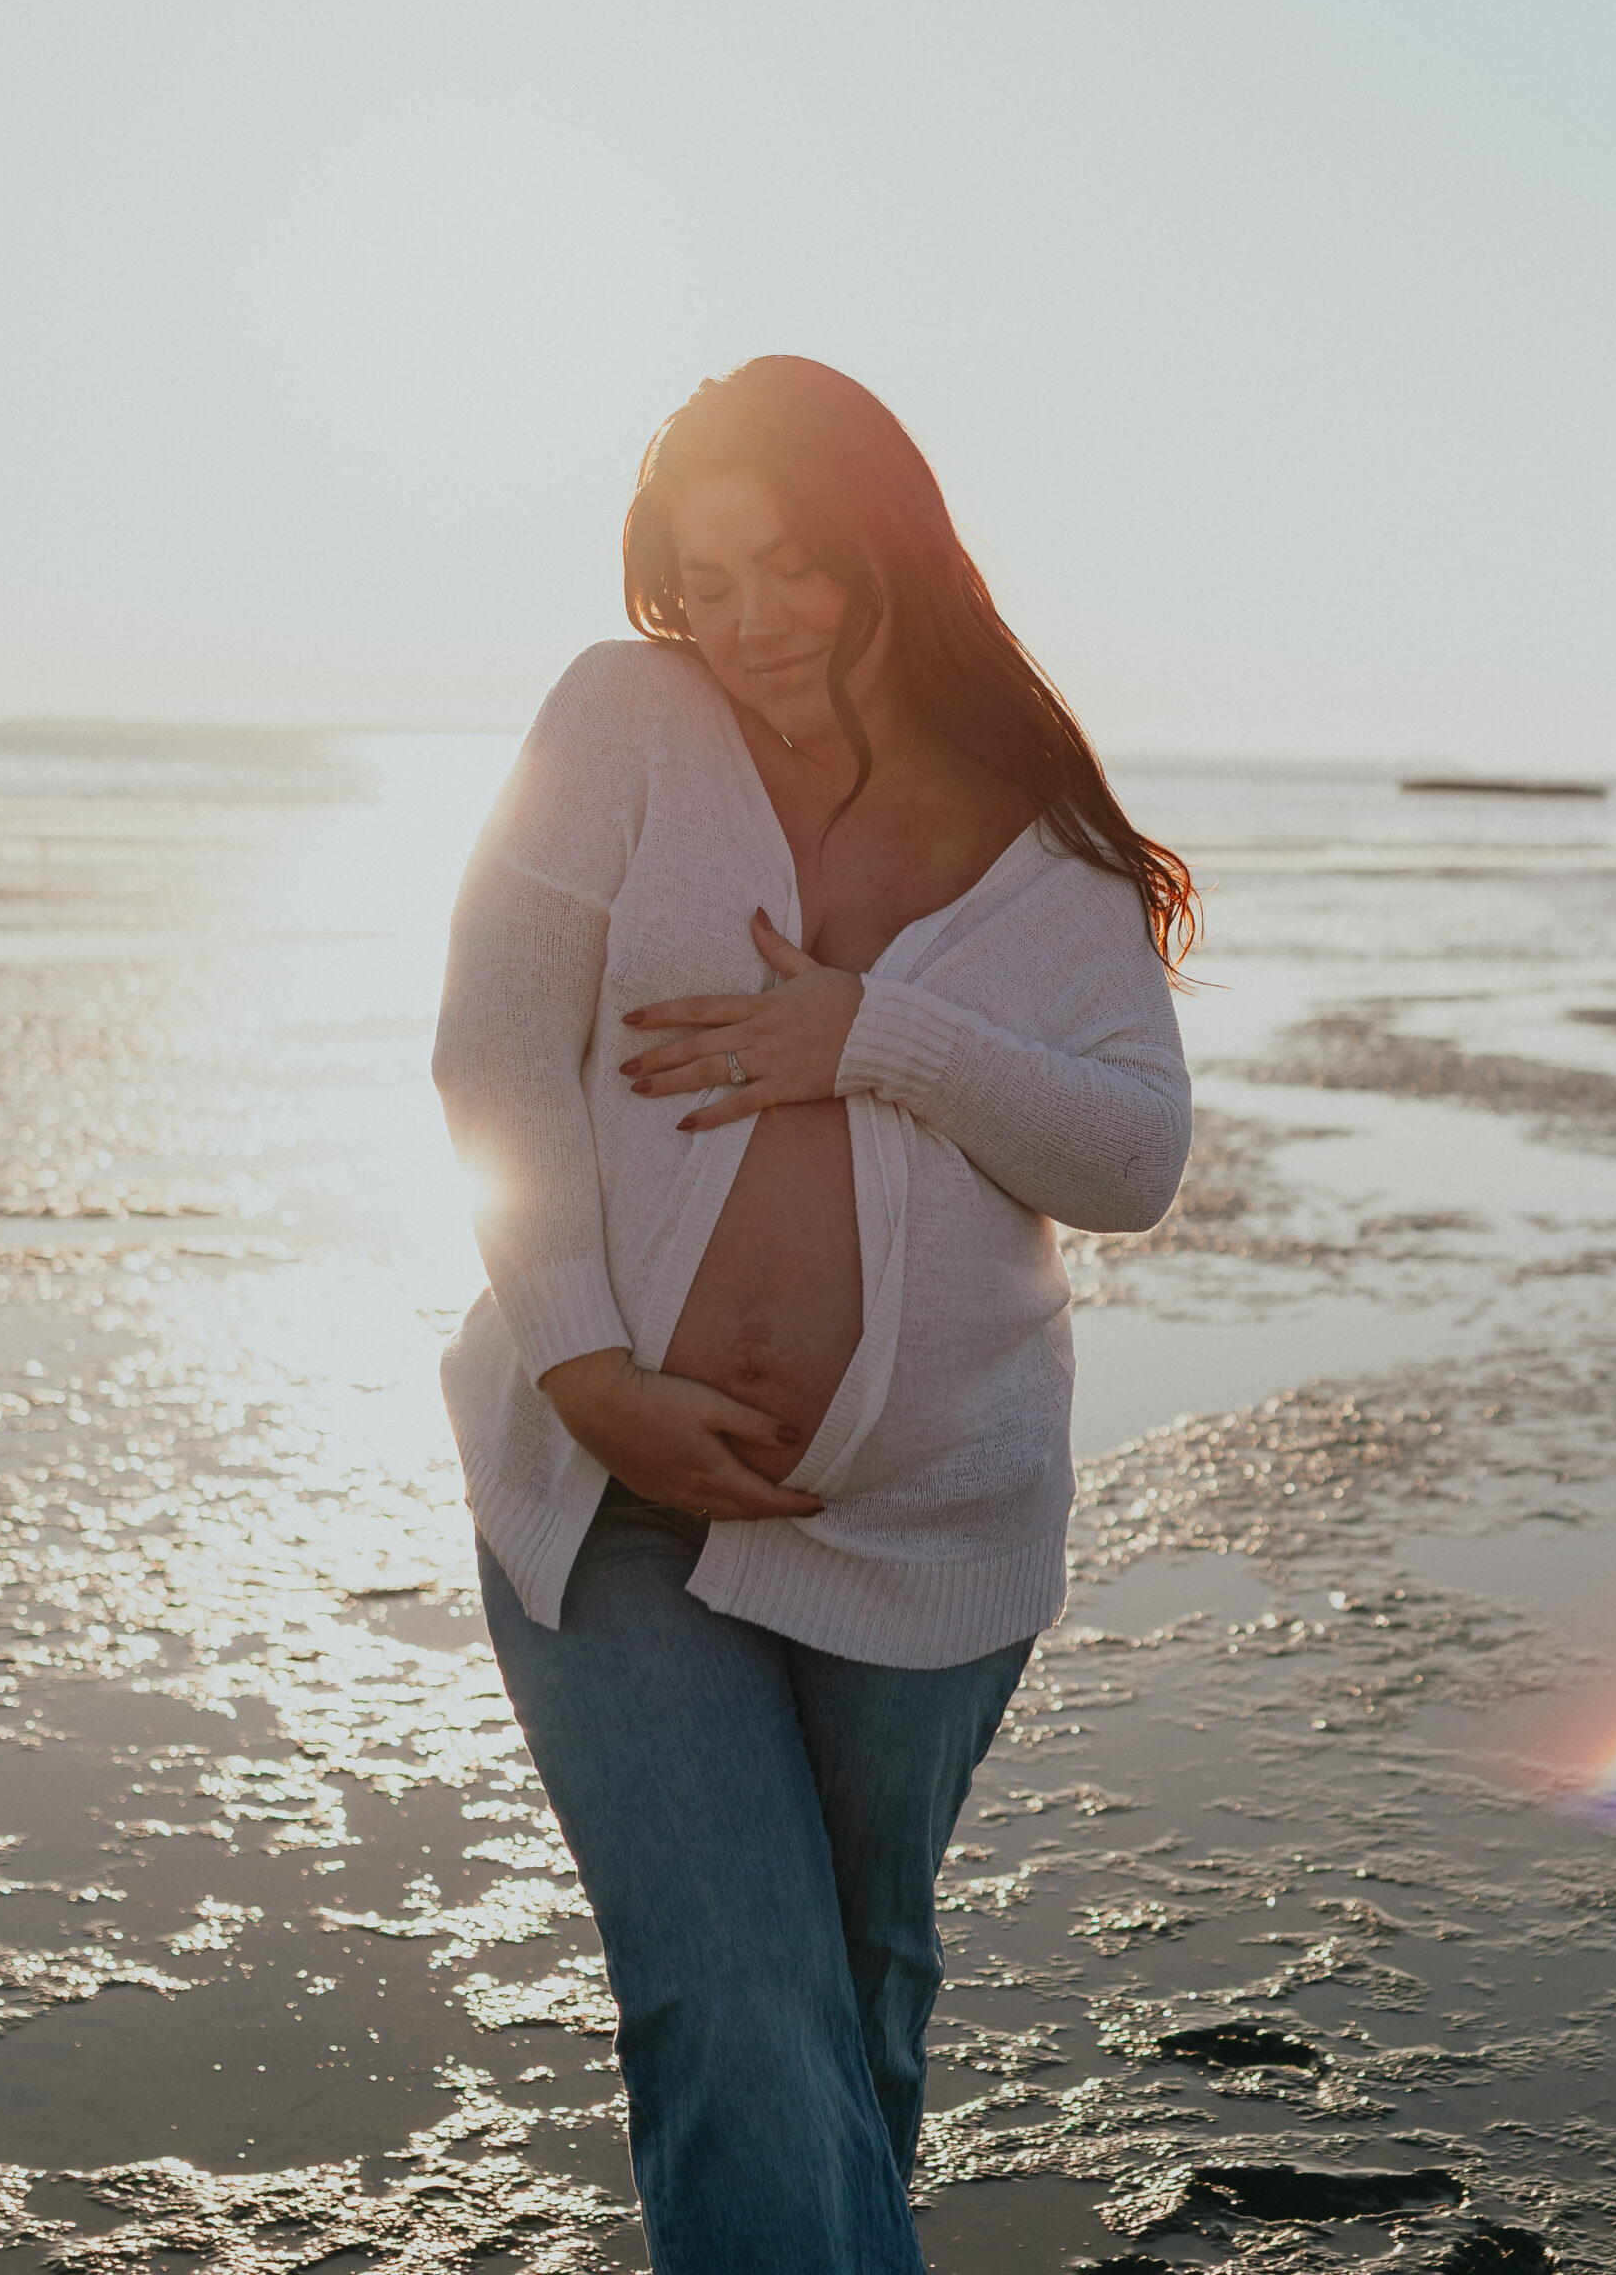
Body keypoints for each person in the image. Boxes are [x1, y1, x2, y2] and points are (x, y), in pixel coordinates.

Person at [432, 356, 1196, 2274]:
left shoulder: (1040, 840)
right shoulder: (623, 721)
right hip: (614, 1503)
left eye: (792, 568)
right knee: (742, 2012)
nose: (749, 619)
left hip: (923, 1534)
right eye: (707, 579)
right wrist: (587, 1370)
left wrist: (878, 1035)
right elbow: (494, 1053)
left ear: (888, 559)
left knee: (851, 2008)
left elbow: (1128, 1161)